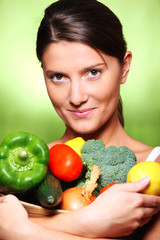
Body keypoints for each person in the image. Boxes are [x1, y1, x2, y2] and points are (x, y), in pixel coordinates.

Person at [0, 0, 160, 239]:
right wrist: (89, 221)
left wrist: (17, 230)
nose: (76, 97)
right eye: (58, 77)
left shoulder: (152, 171)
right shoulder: (19, 169)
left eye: (93, 72)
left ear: (124, 67)